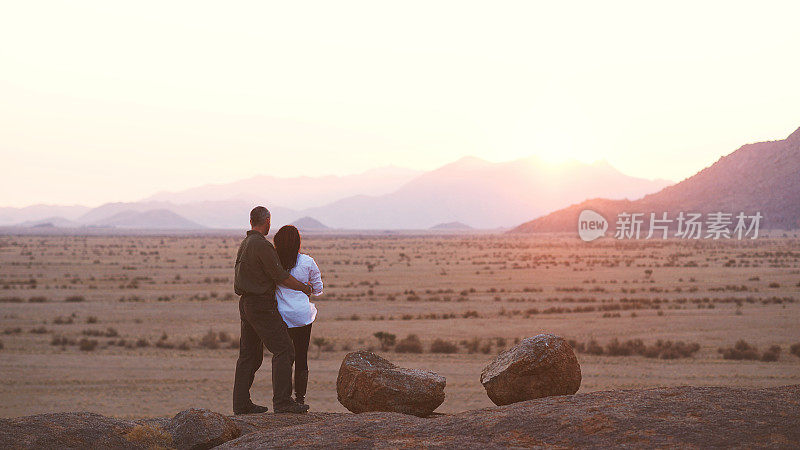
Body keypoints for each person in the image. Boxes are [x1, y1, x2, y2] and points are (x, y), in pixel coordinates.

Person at [232, 206, 312, 415]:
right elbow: (281, 276)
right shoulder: (261, 245)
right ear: (267, 220)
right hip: (261, 305)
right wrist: (304, 288)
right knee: (284, 349)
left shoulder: (245, 244)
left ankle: (241, 404)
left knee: (249, 356)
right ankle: (283, 402)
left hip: (246, 304)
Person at [273, 225, 324, 406]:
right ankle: (300, 399)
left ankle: (283, 398)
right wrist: (306, 287)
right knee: (302, 356)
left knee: (283, 357)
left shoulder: (274, 262)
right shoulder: (307, 262)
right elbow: (318, 289)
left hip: (281, 316)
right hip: (302, 317)